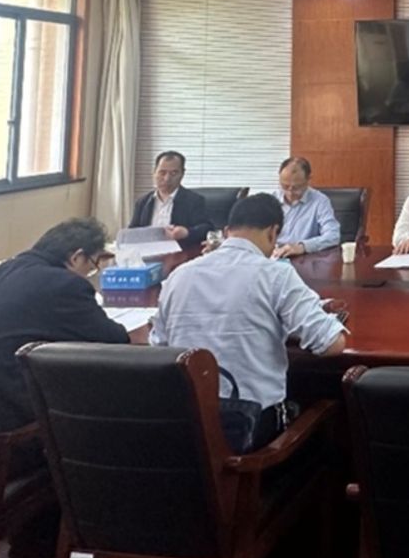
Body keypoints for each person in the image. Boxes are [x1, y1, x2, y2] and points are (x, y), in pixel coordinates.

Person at [150, 194, 348, 448]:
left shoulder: (178, 276)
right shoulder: (275, 274)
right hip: (251, 430)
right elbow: (332, 344)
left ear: (226, 231)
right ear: (273, 233)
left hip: (187, 428)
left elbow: (160, 347)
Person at [0, 219, 129, 440]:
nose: (90, 273)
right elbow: (116, 341)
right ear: (76, 257)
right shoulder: (63, 284)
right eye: (92, 266)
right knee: (108, 386)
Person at [129, 150, 213, 248]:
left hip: (179, 253)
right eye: (162, 172)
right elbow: (132, 231)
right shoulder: (143, 202)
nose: (167, 178)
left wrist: (187, 232)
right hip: (147, 252)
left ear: (182, 174)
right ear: (154, 172)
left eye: (173, 173)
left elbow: (207, 229)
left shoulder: (194, 200)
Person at [271, 156, 341, 258]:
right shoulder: (271, 200)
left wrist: (303, 246)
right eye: (285, 186)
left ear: (308, 180)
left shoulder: (320, 201)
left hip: (304, 257)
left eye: (296, 188)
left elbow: (333, 235)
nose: (290, 193)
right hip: (274, 256)